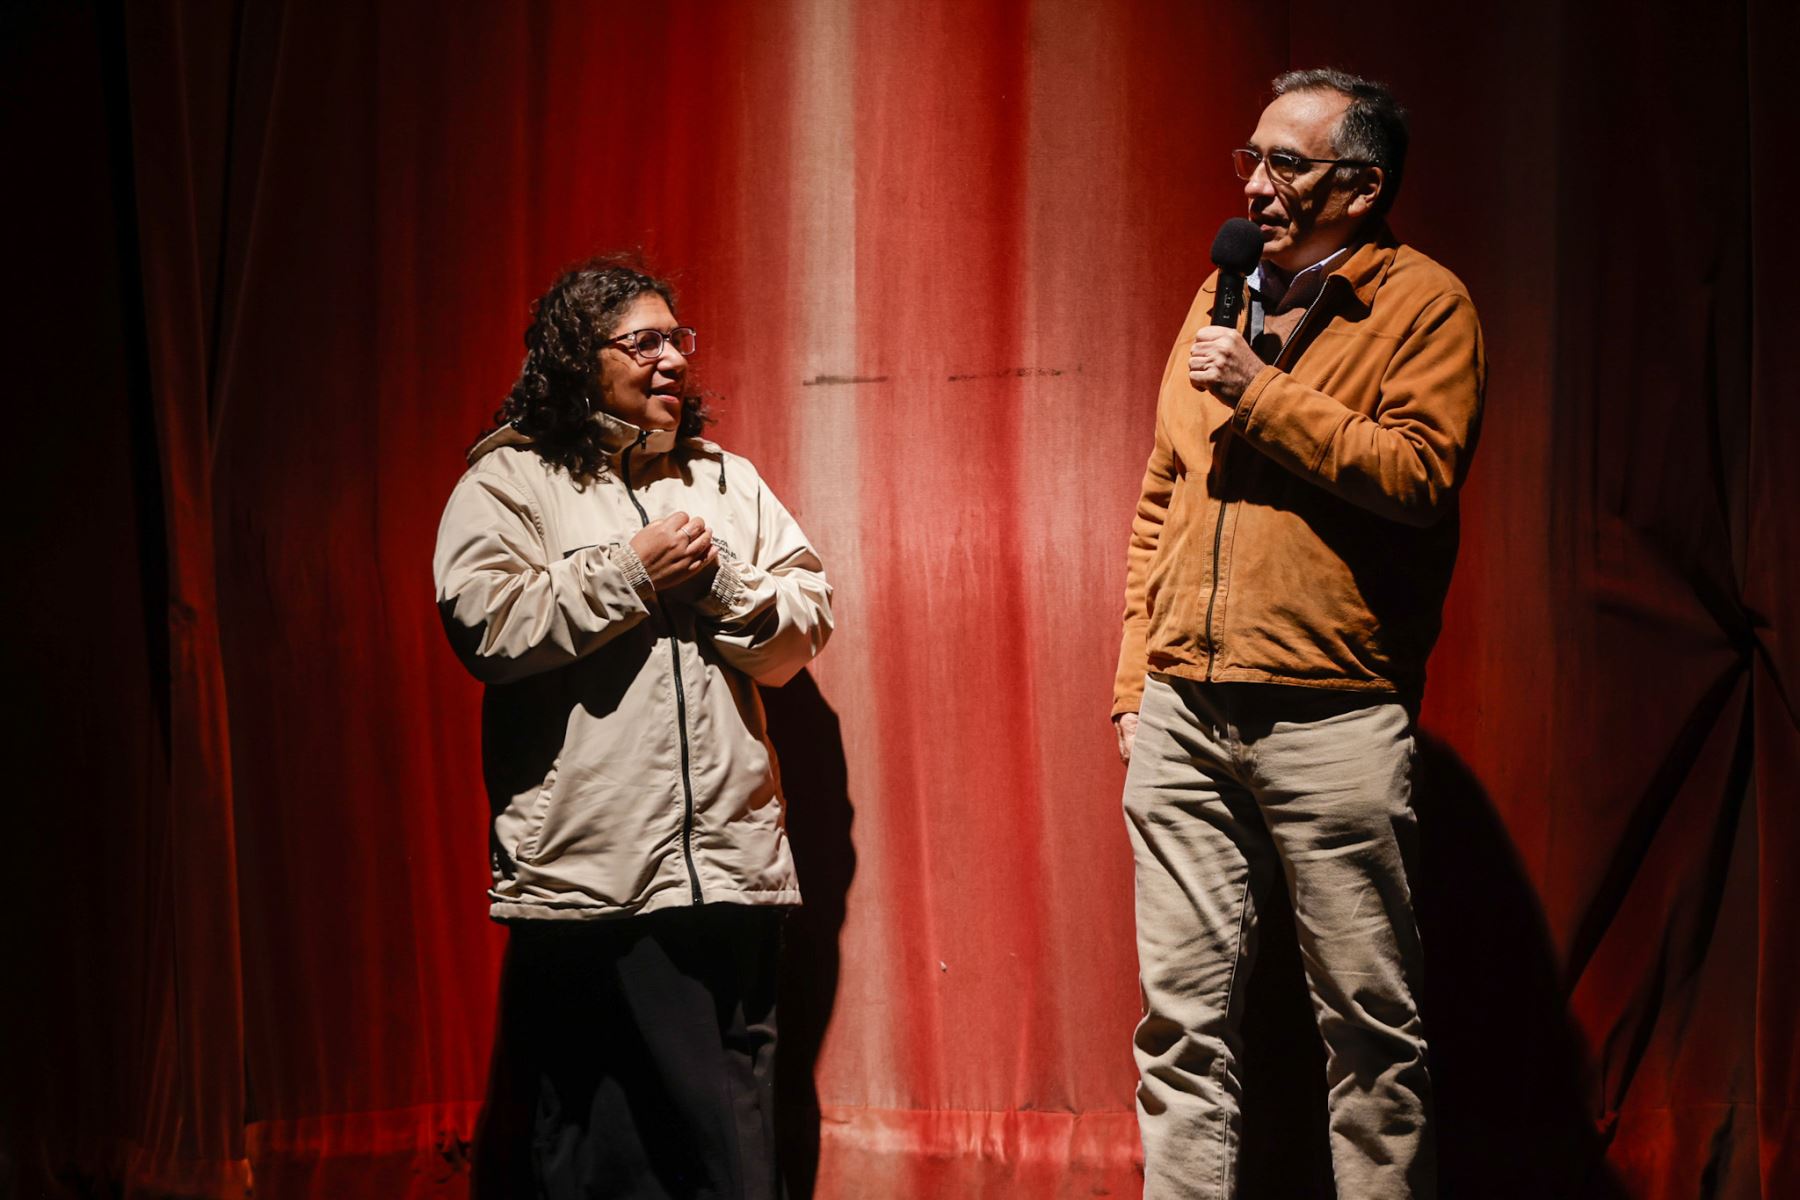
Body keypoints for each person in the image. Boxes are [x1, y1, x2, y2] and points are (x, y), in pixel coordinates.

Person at [1112, 70, 1485, 1199]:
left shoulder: (1425, 306)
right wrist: (1137, 684)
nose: (1258, 187)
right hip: (1182, 714)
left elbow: (1420, 474)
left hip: (1333, 715)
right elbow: (1160, 498)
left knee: (1373, 1034)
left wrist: (1264, 392)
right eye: (1253, 160)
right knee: (1179, 1033)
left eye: (1288, 165)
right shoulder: (1215, 296)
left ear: (1363, 188)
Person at [434, 257, 833, 1199]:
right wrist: (628, 572)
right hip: (584, 877)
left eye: (676, 340)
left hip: (725, 876)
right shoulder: (511, 480)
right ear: (579, 358)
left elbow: (799, 633)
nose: (670, 361)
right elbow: (485, 624)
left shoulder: (726, 481)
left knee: (725, 1160)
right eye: (642, 341)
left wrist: (719, 581)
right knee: (591, 1159)